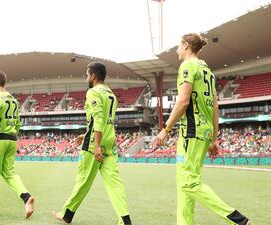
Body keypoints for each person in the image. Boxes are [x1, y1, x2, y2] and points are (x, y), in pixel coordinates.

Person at [152, 33, 250, 225]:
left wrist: (166, 128)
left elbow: (183, 101)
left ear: (187, 45)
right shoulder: (207, 71)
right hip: (203, 134)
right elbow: (215, 107)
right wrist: (213, 139)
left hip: (191, 133)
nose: (177, 50)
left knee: (189, 183)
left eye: (179, 46)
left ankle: (237, 219)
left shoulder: (188, 66)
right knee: (184, 184)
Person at [53, 62, 132, 225]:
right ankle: (125, 220)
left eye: (87, 74)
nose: (86, 77)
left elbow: (98, 118)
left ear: (93, 76)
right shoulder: (111, 94)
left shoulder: (93, 92)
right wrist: (85, 134)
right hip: (110, 142)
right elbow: (105, 121)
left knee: (83, 180)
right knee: (115, 183)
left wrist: (95, 144)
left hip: (94, 144)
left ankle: (67, 215)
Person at [0, 71, 34, 218]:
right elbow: (17, 122)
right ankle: (26, 197)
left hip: (0, 140)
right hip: (12, 139)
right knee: (9, 173)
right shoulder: (14, 100)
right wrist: (13, 136)